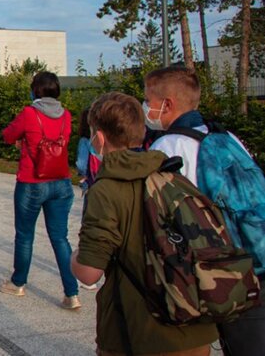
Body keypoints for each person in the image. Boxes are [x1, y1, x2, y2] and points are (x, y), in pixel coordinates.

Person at [71, 92, 217, 356]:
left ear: (100, 138)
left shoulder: (106, 190)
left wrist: (75, 257)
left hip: (142, 332)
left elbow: (89, 273)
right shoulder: (172, 174)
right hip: (194, 329)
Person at [144, 66, 264, 356]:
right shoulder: (227, 136)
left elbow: (166, 216)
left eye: (149, 101)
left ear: (168, 104)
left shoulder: (169, 146)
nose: (146, 108)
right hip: (256, 257)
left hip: (223, 271)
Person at [0, 71, 80, 309]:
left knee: (25, 235)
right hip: (61, 182)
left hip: (32, 181)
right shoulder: (66, 115)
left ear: (35, 91)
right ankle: (71, 293)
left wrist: (22, 139)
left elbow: (7, 135)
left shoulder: (29, 113)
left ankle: (18, 283)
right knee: (60, 238)